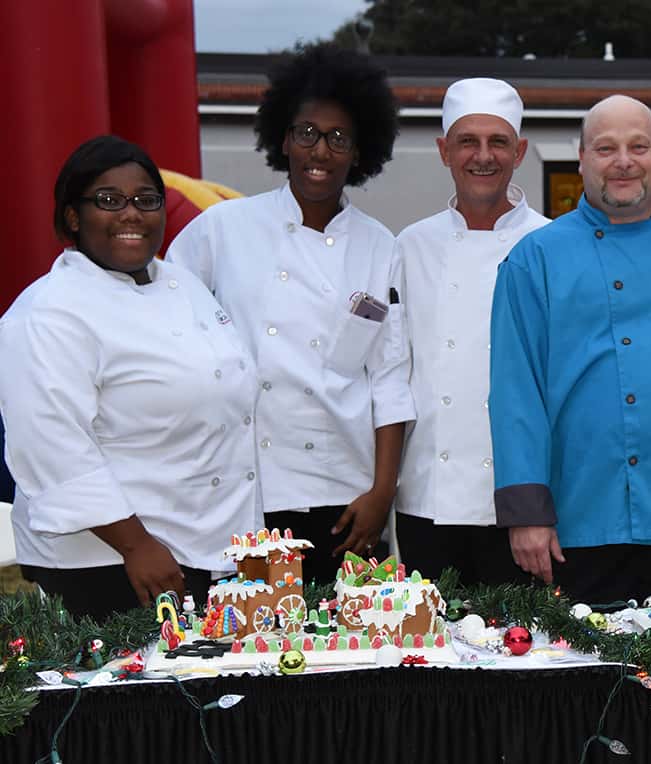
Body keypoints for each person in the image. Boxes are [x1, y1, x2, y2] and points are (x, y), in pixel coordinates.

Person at [168, 44, 415, 583]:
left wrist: (382, 492)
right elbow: (172, 334)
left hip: (348, 495)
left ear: (359, 152)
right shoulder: (223, 229)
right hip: (249, 487)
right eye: (306, 133)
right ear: (282, 139)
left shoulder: (381, 246)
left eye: (337, 138)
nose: (319, 151)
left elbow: (391, 380)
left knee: (355, 649)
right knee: (254, 649)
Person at [489, 95, 651, 603]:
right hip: (582, 514)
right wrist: (527, 514)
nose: (623, 161)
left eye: (638, 146)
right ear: (581, 159)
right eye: (605, 148)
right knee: (584, 672)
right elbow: (516, 392)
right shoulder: (535, 258)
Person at [0, 136, 259, 620]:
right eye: (109, 201)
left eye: (146, 200)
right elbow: (53, 448)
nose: (131, 214)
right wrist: (136, 545)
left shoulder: (182, 284)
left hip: (205, 545)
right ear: (73, 217)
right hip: (110, 560)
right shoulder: (48, 311)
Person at [394, 78, 549, 586]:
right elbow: (392, 369)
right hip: (427, 496)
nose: (483, 157)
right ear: (443, 151)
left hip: (526, 507)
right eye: (467, 141)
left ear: (520, 151)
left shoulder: (551, 244)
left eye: (498, 142)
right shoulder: (409, 246)